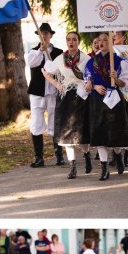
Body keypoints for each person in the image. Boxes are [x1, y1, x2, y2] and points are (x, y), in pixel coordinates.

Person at [83, 32, 128, 181]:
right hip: (97, 101)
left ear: (112, 43)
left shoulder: (120, 62)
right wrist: (93, 86)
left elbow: (125, 84)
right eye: (100, 40)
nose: (102, 42)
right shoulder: (91, 63)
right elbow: (86, 85)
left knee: (115, 133)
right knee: (99, 134)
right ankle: (104, 167)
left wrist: (115, 79)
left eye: (106, 40)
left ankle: (117, 154)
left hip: (114, 100)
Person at [42, 31, 92, 178]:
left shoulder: (86, 59)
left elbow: (92, 76)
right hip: (65, 99)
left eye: (74, 40)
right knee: (67, 134)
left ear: (79, 42)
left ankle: (87, 154)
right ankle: (73, 167)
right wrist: (57, 84)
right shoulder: (59, 59)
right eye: (68, 40)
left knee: (82, 133)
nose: (71, 42)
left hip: (81, 98)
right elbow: (46, 72)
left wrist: (89, 83)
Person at [26, 23, 64, 168]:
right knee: (36, 124)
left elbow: (61, 69)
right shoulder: (33, 52)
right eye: (42, 33)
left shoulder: (59, 52)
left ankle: (59, 155)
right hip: (37, 93)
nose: (44, 36)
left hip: (53, 92)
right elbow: (32, 63)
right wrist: (40, 51)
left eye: (46, 33)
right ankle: (39, 157)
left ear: (51, 35)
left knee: (55, 122)